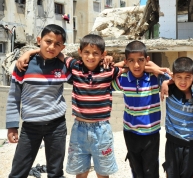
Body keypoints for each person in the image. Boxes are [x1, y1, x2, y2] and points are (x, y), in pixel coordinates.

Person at [16, 34, 122, 178]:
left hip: (102, 129)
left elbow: (131, 66)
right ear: (80, 52)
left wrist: (111, 60)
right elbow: (56, 52)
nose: (90, 56)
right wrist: (29, 52)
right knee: (80, 171)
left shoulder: (109, 71)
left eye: (96, 53)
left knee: (103, 173)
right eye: (86, 52)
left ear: (102, 54)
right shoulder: (75, 66)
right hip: (79, 128)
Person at [6, 24, 71, 178]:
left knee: (56, 172)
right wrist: (12, 126)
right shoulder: (23, 65)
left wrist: (63, 57)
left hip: (57, 126)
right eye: (48, 42)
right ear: (39, 40)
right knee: (18, 171)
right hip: (30, 127)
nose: (51, 47)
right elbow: (14, 97)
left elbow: (83, 74)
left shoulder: (62, 67)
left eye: (57, 44)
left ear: (62, 47)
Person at [111, 40, 171, 178]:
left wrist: (154, 69)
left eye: (141, 60)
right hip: (130, 132)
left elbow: (172, 79)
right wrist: (121, 66)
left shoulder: (155, 78)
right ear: (126, 61)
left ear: (147, 60)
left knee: (151, 170)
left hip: (151, 133)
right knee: (136, 168)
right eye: (131, 61)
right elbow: (107, 75)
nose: (136, 65)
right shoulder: (123, 79)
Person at [162, 57, 193, 178]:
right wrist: (165, 82)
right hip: (172, 141)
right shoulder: (170, 89)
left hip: (191, 144)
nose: (183, 81)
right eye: (179, 77)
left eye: (187, 77)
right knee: (171, 174)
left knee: (188, 175)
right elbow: (147, 66)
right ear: (173, 77)